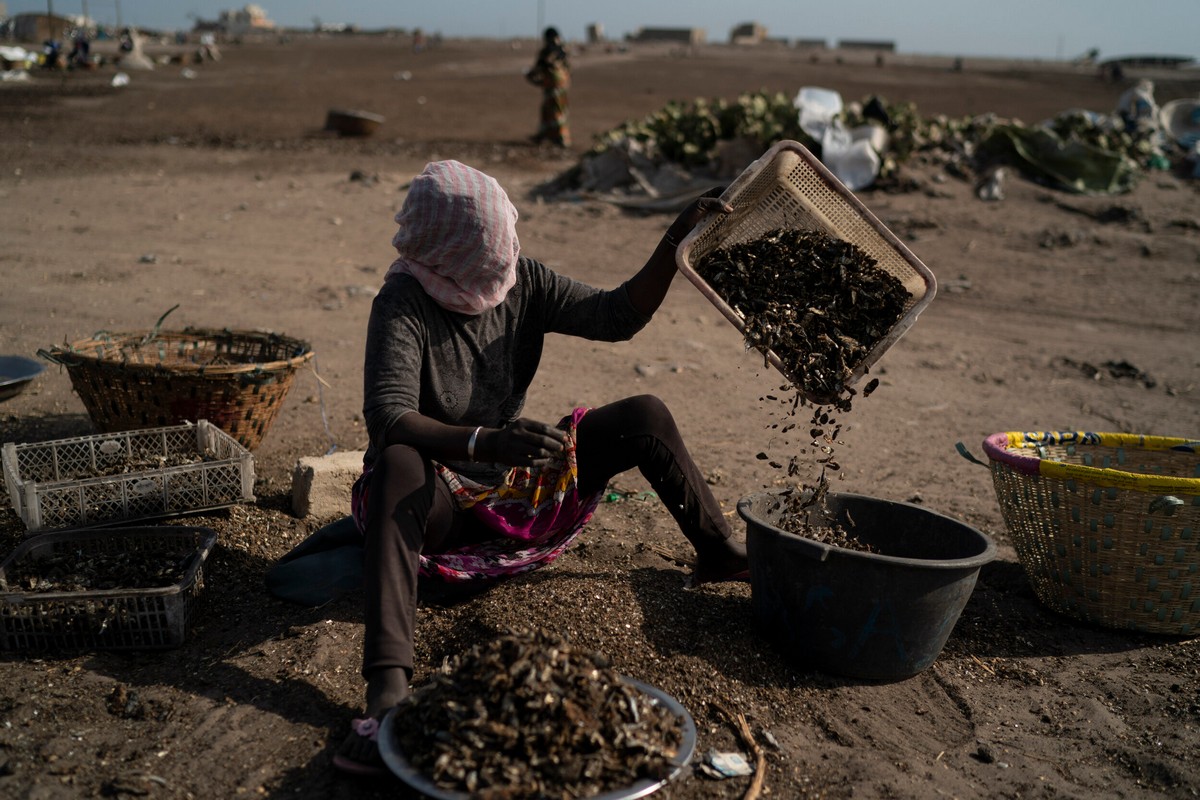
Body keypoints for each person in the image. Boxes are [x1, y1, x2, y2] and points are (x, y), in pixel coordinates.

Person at [332, 159, 749, 776]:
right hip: (434, 503)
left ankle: (717, 549)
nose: (500, 272)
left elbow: (617, 315)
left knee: (645, 413)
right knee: (397, 463)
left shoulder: (519, 280)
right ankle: (388, 687)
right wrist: (486, 442)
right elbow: (390, 418)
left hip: (513, 490)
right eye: (488, 260)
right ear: (445, 250)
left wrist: (676, 240)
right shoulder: (404, 302)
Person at [525, 27, 571, 147]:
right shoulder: (562, 50)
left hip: (552, 85)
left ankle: (561, 138)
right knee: (552, 110)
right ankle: (544, 135)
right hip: (562, 85)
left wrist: (531, 76)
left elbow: (539, 68)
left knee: (554, 111)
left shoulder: (547, 51)